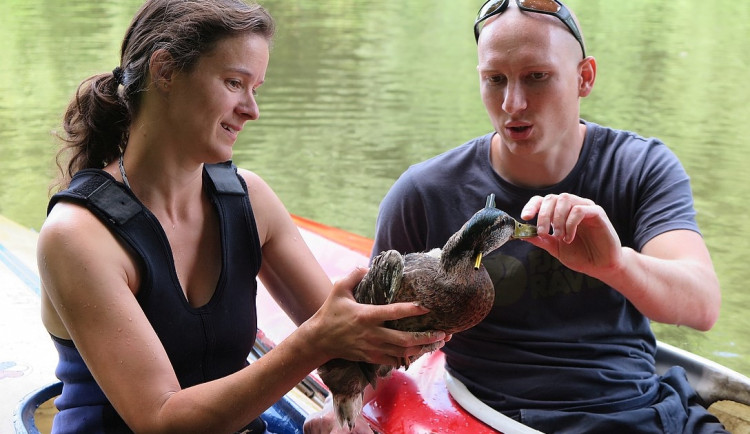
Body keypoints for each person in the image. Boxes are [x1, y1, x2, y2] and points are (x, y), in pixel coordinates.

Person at [308, 0, 728, 433]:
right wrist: (340, 413)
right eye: (495, 79)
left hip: (650, 408)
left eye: (537, 77)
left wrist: (616, 265)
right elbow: (369, 341)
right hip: (500, 417)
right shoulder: (424, 193)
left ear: (584, 77)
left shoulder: (641, 167)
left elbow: (702, 306)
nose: (513, 103)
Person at [36, 1, 447, 433]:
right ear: (165, 71)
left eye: (257, 89)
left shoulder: (250, 199)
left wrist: (344, 407)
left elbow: (356, 346)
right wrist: (313, 343)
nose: (252, 109)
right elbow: (160, 421)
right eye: (235, 83)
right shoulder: (77, 235)